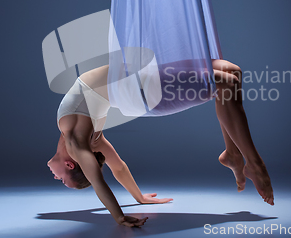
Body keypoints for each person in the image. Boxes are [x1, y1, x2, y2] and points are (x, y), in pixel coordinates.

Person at [47, 59, 274, 227]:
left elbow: (113, 171)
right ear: (70, 164)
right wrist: (120, 214)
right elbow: (111, 172)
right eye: (61, 180)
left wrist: (138, 198)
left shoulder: (78, 137)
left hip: (139, 71)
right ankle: (253, 163)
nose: (55, 177)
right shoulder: (87, 141)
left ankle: (232, 153)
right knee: (227, 82)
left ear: (70, 165)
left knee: (232, 72)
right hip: (138, 85)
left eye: (61, 181)